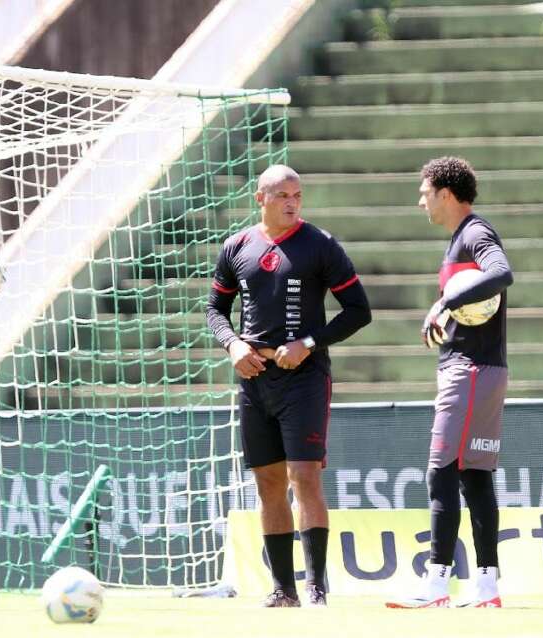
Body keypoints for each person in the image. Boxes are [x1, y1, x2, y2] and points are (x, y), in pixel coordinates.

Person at [206, 165, 371, 607]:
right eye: (281, 194)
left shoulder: (320, 244)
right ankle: (284, 590)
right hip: (255, 379)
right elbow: (215, 310)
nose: (291, 202)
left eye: (297, 194)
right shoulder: (236, 246)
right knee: (268, 483)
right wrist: (233, 345)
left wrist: (308, 343)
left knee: (305, 478)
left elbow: (358, 310)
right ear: (260, 198)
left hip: (304, 379)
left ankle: (317, 588)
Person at [386, 157, 513, 609]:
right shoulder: (462, 238)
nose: (421, 201)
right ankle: (486, 586)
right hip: (485, 368)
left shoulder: (475, 233)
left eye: (425, 193)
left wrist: (443, 303)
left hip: (469, 370)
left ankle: (436, 582)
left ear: (445, 193)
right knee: (474, 476)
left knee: (440, 471)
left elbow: (501, 274)